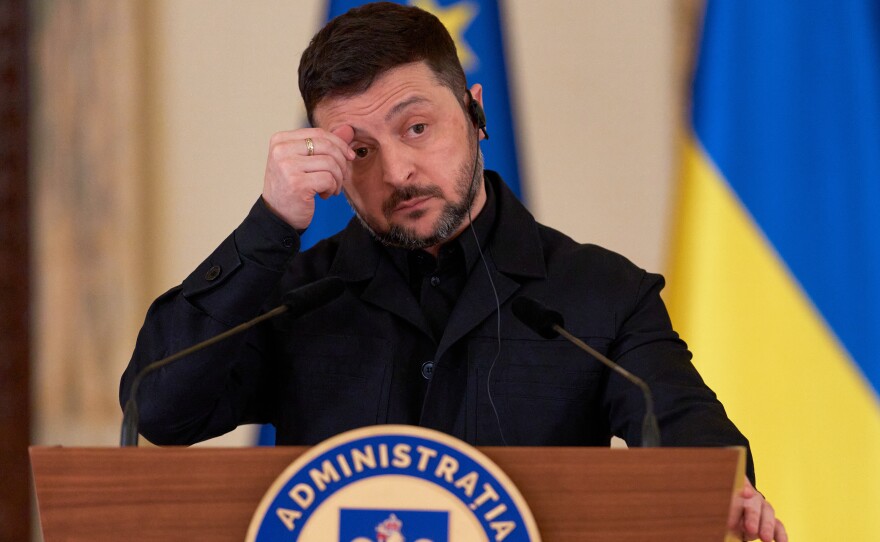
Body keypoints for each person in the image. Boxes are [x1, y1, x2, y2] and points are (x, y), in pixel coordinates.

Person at [120, 3, 786, 540]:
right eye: (357, 151)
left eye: (416, 128)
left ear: (474, 110)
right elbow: (162, 408)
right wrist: (269, 225)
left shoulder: (598, 294)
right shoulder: (292, 296)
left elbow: (683, 427)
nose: (398, 172)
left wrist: (717, 488)